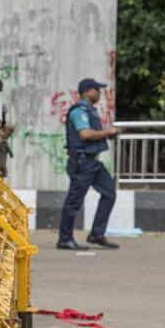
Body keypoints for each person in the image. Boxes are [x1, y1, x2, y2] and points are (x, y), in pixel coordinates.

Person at [57, 78, 120, 250]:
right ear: (86, 91)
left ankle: (96, 234)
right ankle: (64, 239)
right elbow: (85, 134)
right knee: (74, 201)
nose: (99, 93)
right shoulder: (80, 111)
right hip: (82, 162)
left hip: (92, 161)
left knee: (109, 193)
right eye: (96, 90)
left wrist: (107, 134)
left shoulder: (90, 110)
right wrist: (107, 132)